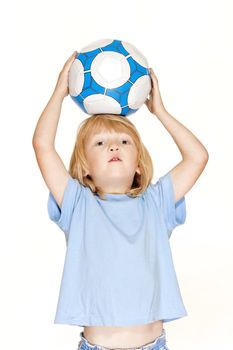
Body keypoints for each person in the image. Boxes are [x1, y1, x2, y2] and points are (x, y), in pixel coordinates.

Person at [32, 51, 209, 350]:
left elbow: (197, 157)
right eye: (100, 143)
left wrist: (160, 112)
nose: (114, 145)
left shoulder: (156, 203)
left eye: (125, 142)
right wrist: (59, 93)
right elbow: (42, 145)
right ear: (85, 167)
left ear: (138, 162)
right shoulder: (78, 204)